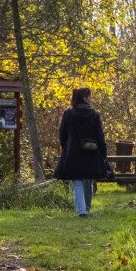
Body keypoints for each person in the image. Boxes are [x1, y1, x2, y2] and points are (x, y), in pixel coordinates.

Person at [53, 88, 109, 217]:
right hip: (91, 151)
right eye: (90, 97)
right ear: (85, 97)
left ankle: (81, 211)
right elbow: (100, 136)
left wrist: (65, 147)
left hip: (73, 151)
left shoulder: (68, 113)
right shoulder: (94, 114)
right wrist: (103, 152)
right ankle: (87, 208)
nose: (91, 99)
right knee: (88, 179)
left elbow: (62, 134)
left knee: (77, 181)